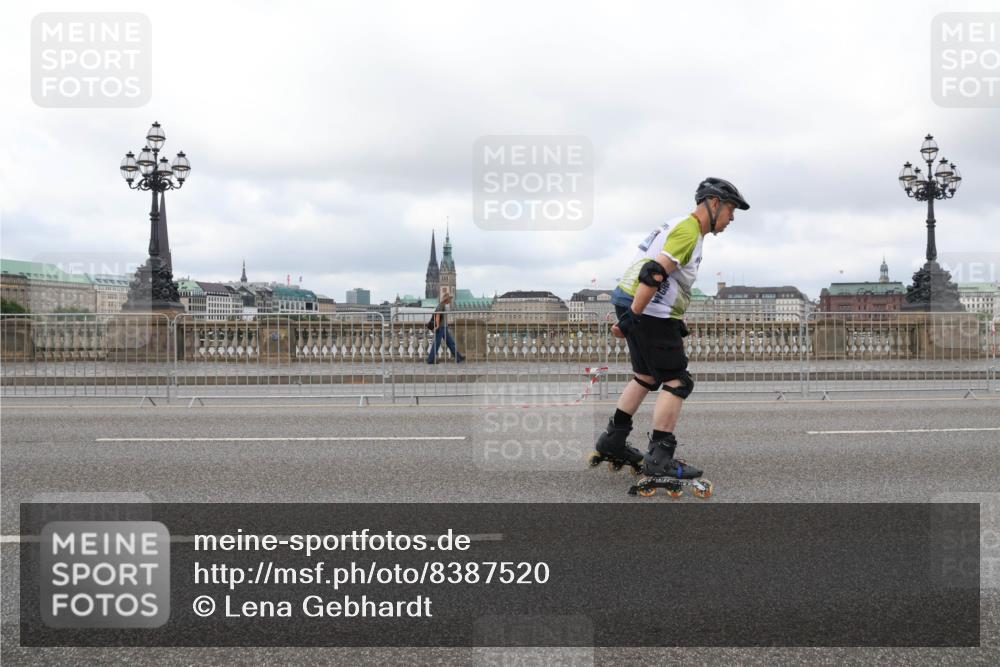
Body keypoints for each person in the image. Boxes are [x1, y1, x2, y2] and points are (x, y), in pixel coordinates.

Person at [594, 177, 749, 481]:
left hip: (633, 302)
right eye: (731, 210)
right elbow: (653, 273)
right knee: (678, 381)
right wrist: (634, 317)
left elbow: (661, 275)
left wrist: (633, 312)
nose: (731, 219)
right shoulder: (689, 231)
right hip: (649, 310)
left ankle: (613, 440)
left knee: (646, 376)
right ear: (714, 203)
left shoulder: (677, 224)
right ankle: (660, 456)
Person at [427, 293, 465, 364]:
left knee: (451, 343)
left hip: (444, 327)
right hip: (441, 327)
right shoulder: (441, 305)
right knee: (437, 344)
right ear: (447, 299)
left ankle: (458, 358)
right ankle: (430, 360)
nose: (451, 300)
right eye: (450, 299)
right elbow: (437, 315)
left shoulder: (443, 305)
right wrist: (437, 325)